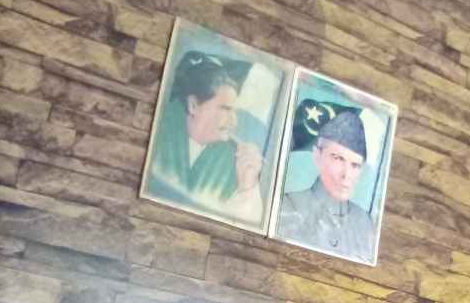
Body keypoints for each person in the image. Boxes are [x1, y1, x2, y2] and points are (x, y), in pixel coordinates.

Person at [149, 51, 263, 223]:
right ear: (193, 105)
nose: (234, 121)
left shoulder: (234, 160)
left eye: (235, 111)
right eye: (226, 109)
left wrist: (247, 187)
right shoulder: (159, 130)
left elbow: (244, 223)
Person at [277, 108, 376, 262]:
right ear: (317, 156)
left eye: (355, 165)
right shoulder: (289, 205)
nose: (346, 174)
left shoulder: (365, 224)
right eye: (338, 159)